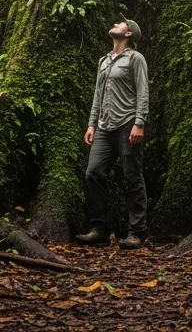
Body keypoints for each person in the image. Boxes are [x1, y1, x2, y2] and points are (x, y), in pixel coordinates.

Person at [74, 17, 149, 248]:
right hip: (104, 128)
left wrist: (139, 123)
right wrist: (91, 124)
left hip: (127, 124)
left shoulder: (135, 58)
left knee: (131, 177)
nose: (117, 23)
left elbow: (143, 91)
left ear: (129, 34)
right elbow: (98, 95)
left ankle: (136, 232)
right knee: (93, 174)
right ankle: (100, 229)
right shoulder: (104, 61)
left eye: (122, 24)